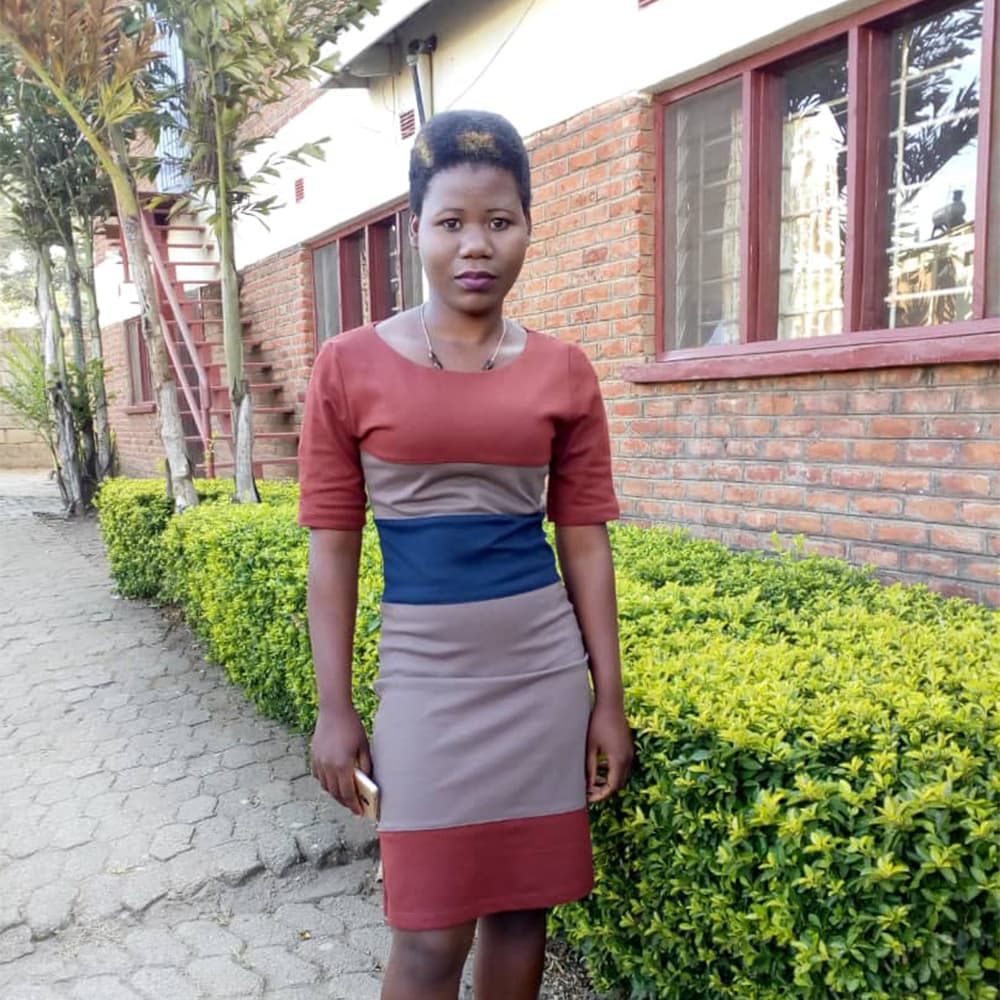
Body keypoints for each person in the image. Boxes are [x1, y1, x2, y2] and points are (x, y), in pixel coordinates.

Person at [298, 109, 633, 1000]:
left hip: (541, 676)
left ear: (528, 226)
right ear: (417, 231)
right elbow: (332, 553)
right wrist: (336, 709)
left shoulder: (565, 370)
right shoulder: (349, 365)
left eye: (500, 221)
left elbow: (586, 542)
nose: (475, 245)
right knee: (429, 937)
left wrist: (609, 701)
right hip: (425, 681)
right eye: (452, 223)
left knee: (524, 919)